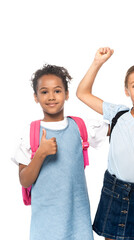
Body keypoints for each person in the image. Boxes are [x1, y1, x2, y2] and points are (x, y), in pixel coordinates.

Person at [11, 64, 107, 240]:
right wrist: (40, 153)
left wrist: (97, 63)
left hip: (79, 225)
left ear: (67, 94)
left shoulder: (80, 127)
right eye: (44, 92)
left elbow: (119, 124)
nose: (51, 97)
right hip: (46, 228)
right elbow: (24, 181)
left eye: (57, 91)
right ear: (36, 97)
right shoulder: (30, 132)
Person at [76, 47, 134, 240]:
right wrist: (98, 62)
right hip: (113, 191)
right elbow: (82, 93)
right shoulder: (118, 113)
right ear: (126, 90)